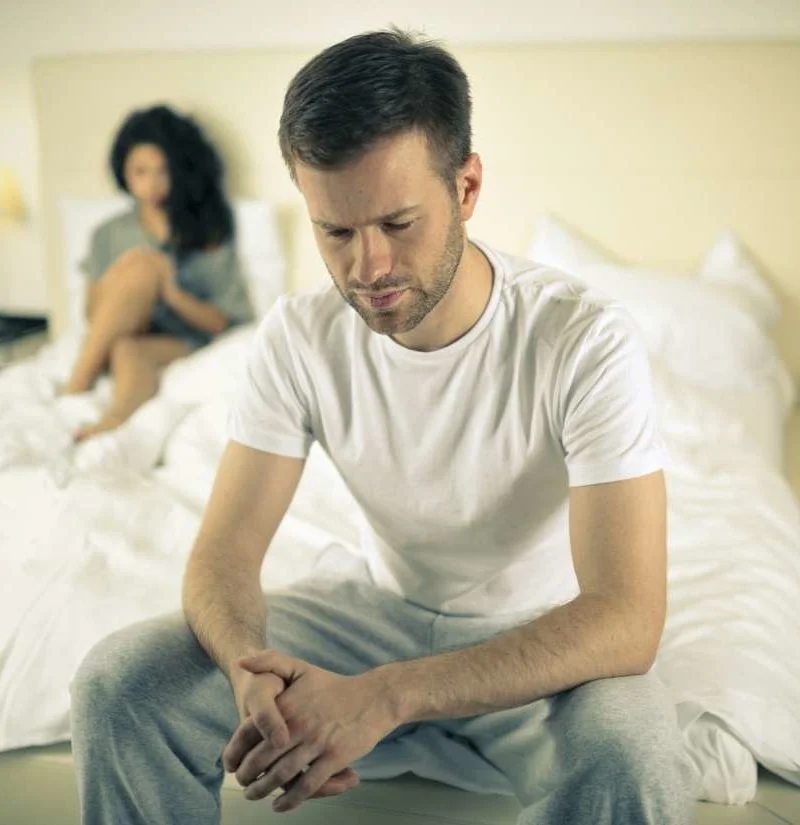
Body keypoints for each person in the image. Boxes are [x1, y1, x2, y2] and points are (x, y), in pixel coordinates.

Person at [70, 29, 697, 825]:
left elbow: (626, 618)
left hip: (544, 645)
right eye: (336, 231)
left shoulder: (582, 339)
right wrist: (244, 668)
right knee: (118, 685)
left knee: (634, 756)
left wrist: (387, 696)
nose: (368, 267)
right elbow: (224, 554)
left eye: (398, 223)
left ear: (467, 188)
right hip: (377, 615)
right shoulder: (299, 336)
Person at [63, 104, 254, 441]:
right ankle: (92, 402)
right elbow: (95, 318)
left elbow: (221, 322)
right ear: (124, 172)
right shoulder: (108, 233)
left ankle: (99, 408)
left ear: (180, 172)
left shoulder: (208, 228)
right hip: (119, 332)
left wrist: (170, 293)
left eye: (162, 171)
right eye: (140, 171)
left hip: (181, 338)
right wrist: (124, 278)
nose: (151, 184)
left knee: (129, 347)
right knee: (139, 274)